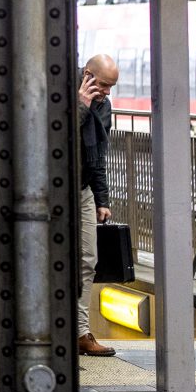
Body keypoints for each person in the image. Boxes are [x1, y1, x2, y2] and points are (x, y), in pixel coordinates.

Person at [77, 54, 119, 357]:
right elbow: (55, 140)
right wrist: (81, 106)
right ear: (88, 75)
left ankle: (80, 331)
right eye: (103, 85)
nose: (106, 92)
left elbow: (98, 155)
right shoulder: (60, 95)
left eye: (110, 87)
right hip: (52, 192)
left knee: (88, 259)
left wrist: (102, 199)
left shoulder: (104, 106)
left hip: (83, 189)